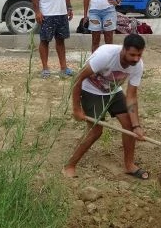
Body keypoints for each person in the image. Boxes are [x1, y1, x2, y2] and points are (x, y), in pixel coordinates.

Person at [63, 33, 148, 180]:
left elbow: (131, 96)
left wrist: (136, 126)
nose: (136, 59)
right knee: (95, 131)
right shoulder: (106, 55)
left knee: (129, 126)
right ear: (123, 49)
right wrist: (76, 109)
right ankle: (69, 166)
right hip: (90, 89)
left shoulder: (137, 65)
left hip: (113, 90)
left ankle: (129, 165)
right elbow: (78, 79)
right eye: (132, 55)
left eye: (139, 55)